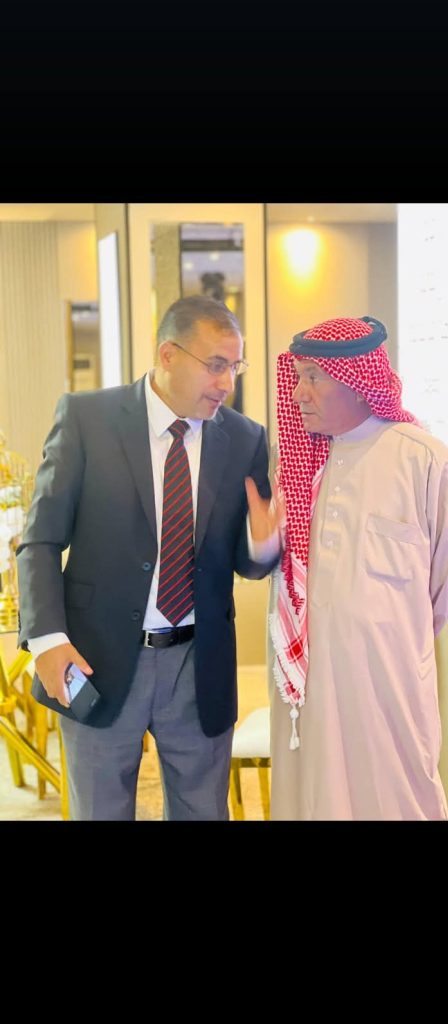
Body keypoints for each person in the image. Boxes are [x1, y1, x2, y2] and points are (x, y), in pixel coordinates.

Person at [17, 295, 279, 821]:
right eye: (216, 364)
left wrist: (262, 544)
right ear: (168, 354)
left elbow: (246, 563)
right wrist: (46, 640)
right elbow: (40, 539)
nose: (227, 383)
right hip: (96, 658)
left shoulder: (245, 439)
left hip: (198, 663)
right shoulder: (87, 419)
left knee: (203, 811)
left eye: (236, 366)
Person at [269, 314, 448, 821]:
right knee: (314, 794)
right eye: (298, 377)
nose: (299, 393)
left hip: (387, 680)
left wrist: (386, 633)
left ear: (357, 382)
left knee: (397, 794)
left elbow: (447, 579)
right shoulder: (297, 461)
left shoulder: (422, 459)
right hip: (311, 685)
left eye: (314, 378)